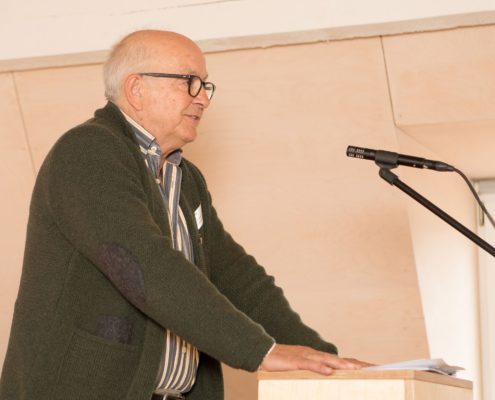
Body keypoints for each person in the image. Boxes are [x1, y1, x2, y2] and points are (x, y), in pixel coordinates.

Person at [0, 30, 368, 400]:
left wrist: (326, 361)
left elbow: (238, 279)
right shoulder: (89, 151)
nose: (203, 98)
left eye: (205, 85)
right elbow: (145, 264)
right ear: (136, 89)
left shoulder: (185, 178)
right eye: (189, 82)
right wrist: (261, 352)